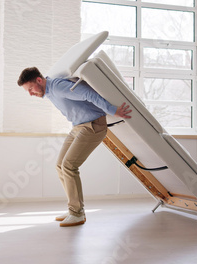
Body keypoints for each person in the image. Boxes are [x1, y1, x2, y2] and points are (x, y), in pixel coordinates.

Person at [17, 67, 132, 227]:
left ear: (38, 80)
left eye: (30, 89)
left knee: (69, 166)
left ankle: (77, 213)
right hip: (78, 127)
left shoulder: (56, 86)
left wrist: (112, 110)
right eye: (27, 92)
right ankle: (74, 209)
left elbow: (87, 93)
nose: (31, 94)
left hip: (93, 126)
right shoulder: (49, 91)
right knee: (60, 166)